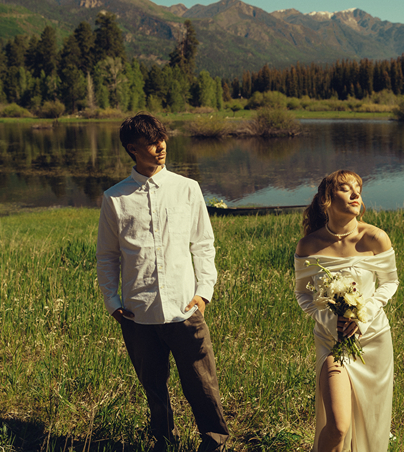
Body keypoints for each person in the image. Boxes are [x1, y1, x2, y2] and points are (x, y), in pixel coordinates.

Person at [96, 113, 229, 452]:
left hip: (185, 308)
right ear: (132, 148)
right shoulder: (115, 198)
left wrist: (203, 295)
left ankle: (215, 441)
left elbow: (203, 244)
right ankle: (163, 441)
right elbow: (108, 256)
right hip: (137, 312)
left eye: (162, 139)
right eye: (151, 143)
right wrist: (112, 303)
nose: (161, 147)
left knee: (202, 382)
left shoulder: (187, 189)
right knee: (153, 386)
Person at [294, 170, 399, 452]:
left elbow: (389, 283)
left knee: (370, 422)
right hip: (331, 342)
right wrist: (329, 320)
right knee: (338, 425)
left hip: (373, 340)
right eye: (345, 188)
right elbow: (302, 293)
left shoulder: (375, 238)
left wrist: (362, 319)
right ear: (326, 199)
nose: (355, 194)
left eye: (358, 189)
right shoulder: (309, 245)